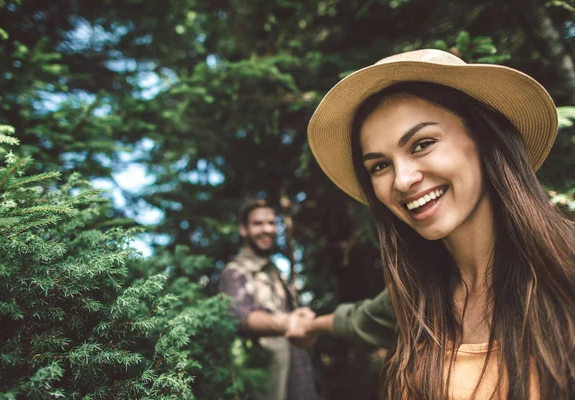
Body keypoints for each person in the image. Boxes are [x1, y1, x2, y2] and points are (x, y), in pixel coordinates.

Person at [287, 49, 575, 399]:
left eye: (422, 144)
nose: (402, 180)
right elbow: (359, 320)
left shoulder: (565, 270)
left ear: (483, 139)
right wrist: (308, 324)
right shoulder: (413, 297)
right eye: (379, 166)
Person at [219, 199, 321, 400]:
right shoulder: (234, 272)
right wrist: (289, 322)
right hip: (271, 383)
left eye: (271, 223)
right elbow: (241, 317)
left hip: (300, 371)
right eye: (258, 223)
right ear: (244, 230)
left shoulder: (275, 271)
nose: (267, 229)